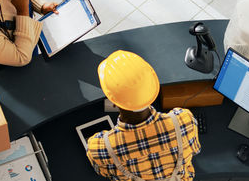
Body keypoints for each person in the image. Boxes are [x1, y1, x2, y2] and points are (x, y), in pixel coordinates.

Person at [86, 50, 201, 181]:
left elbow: (101, 171)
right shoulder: (184, 120)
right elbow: (195, 149)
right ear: (152, 88)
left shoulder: (100, 148)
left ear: (112, 102)